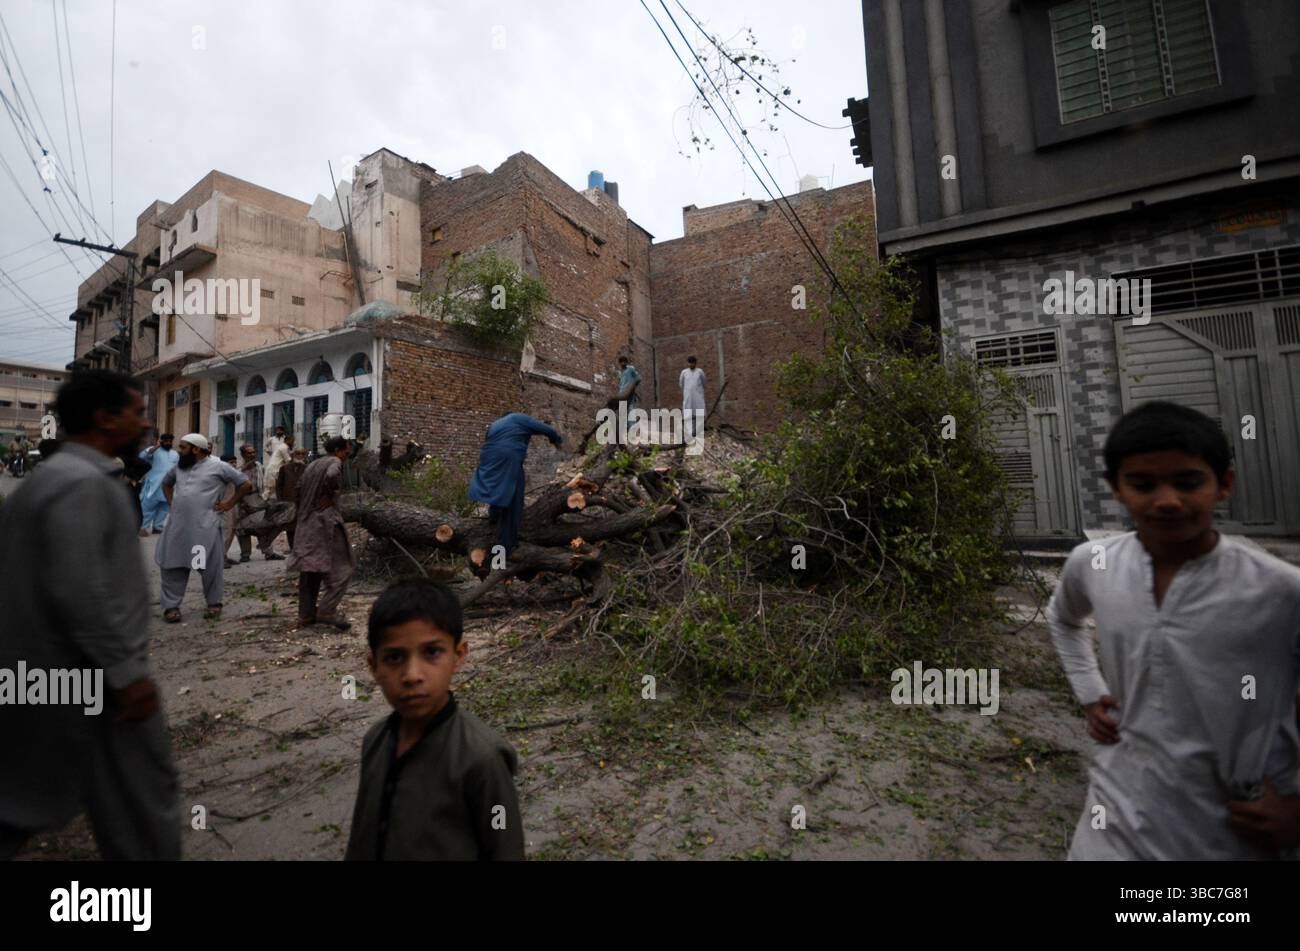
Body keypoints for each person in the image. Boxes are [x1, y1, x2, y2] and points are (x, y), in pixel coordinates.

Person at [1048, 401, 1300, 860]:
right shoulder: (1095, 564)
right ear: (1116, 489)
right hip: (1117, 809)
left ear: (1224, 484)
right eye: (1143, 484)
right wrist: (1089, 693)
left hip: (1234, 825)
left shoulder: (1279, 590)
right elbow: (1063, 618)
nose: (1166, 501)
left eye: (1188, 482)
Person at [0, 369, 181, 861]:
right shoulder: (83, 485)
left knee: (24, 801)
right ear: (104, 417)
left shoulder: (50, 482)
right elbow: (80, 590)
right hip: (94, 684)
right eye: (137, 412)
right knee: (142, 803)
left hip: (50, 680)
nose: (146, 423)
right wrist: (125, 674)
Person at [344, 577, 524, 860]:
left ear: (459, 655)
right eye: (394, 658)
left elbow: (504, 847)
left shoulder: (482, 759)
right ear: (373, 666)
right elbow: (363, 836)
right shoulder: (376, 740)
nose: (412, 675)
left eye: (432, 652)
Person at [156, 434, 251, 622]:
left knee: (206, 566)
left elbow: (245, 483)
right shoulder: (180, 468)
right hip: (178, 528)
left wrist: (229, 504)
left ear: (196, 449)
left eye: (182, 447)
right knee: (173, 565)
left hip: (203, 529)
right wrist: (172, 503)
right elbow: (166, 484)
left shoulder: (219, 466)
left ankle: (213, 603)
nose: (179, 451)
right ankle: (171, 607)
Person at [467, 412, 563, 556]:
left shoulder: (495, 424)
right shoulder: (519, 418)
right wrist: (557, 440)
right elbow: (548, 430)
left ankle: (493, 518)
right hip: (508, 458)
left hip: (488, 456)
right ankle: (508, 544)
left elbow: (490, 440)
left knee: (499, 490)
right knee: (514, 498)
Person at [287, 436, 355, 630]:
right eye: (349, 448)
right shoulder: (335, 462)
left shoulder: (312, 464)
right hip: (325, 524)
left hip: (307, 524)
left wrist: (305, 511)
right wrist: (330, 496)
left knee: (310, 570)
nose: (350, 452)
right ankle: (327, 611)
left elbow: (298, 489)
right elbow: (333, 476)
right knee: (344, 567)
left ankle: (306, 615)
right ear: (341, 449)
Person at [231, 443, 284, 563]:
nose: (252, 455)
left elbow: (265, 482)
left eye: (253, 452)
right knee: (242, 529)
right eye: (249, 453)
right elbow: (236, 487)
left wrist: (267, 498)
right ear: (243, 454)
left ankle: (268, 553)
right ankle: (245, 554)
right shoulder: (238, 469)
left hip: (258, 498)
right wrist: (243, 504)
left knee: (262, 526)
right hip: (242, 499)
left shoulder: (259, 466)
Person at [138, 433, 178, 535]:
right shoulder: (154, 450)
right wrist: (157, 446)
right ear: (161, 441)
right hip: (154, 484)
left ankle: (158, 527)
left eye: (170, 441)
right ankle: (142, 527)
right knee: (147, 507)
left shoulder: (175, 454)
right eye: (166, 441)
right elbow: (142, 456)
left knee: (164, 507)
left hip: (169, 486)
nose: (168, 443)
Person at [276, 446, 309, 550]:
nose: (300, 456)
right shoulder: (284, 468)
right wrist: (281, 501)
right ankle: (293, 548)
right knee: (290, 526)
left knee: (303, 525)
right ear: (292, 455)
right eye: (297, 453)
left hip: (303, 501)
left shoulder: (308, 468)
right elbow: (279, 486)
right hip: (288, 501)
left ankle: (302, 548)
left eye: (302, 454)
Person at [679, 355, 707, 441]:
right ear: (688, 363)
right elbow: (681, 384)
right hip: (688, 397)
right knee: (688, 414)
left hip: (698, 396)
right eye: (690, 363)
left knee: (698, 413)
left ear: (695, 363)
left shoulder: (700, 372)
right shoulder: (684, 372)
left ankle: (699, 433)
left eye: (693, 363)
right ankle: (689, 434)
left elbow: (704, 382)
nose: (691, 365)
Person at [263, 430, 293, 501]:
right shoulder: (284, 447)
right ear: (288, 440)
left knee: (271, 490)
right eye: (292, 441)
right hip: (274, 470)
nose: (293, 443)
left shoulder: (284, 446)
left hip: (274, 469)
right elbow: (288, 460)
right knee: (270, 490)